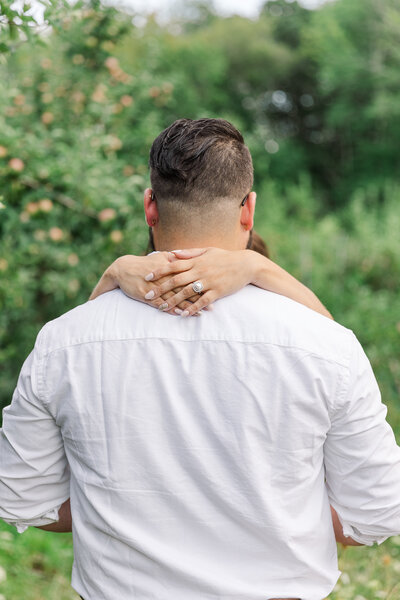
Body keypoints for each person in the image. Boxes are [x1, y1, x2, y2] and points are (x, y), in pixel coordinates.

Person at [1, 118, 400, 600]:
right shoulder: (326, 346)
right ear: (248, 210)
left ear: (150, 206)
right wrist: (280, 519)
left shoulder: (64, 342)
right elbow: (377, 512)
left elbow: (24, 498)